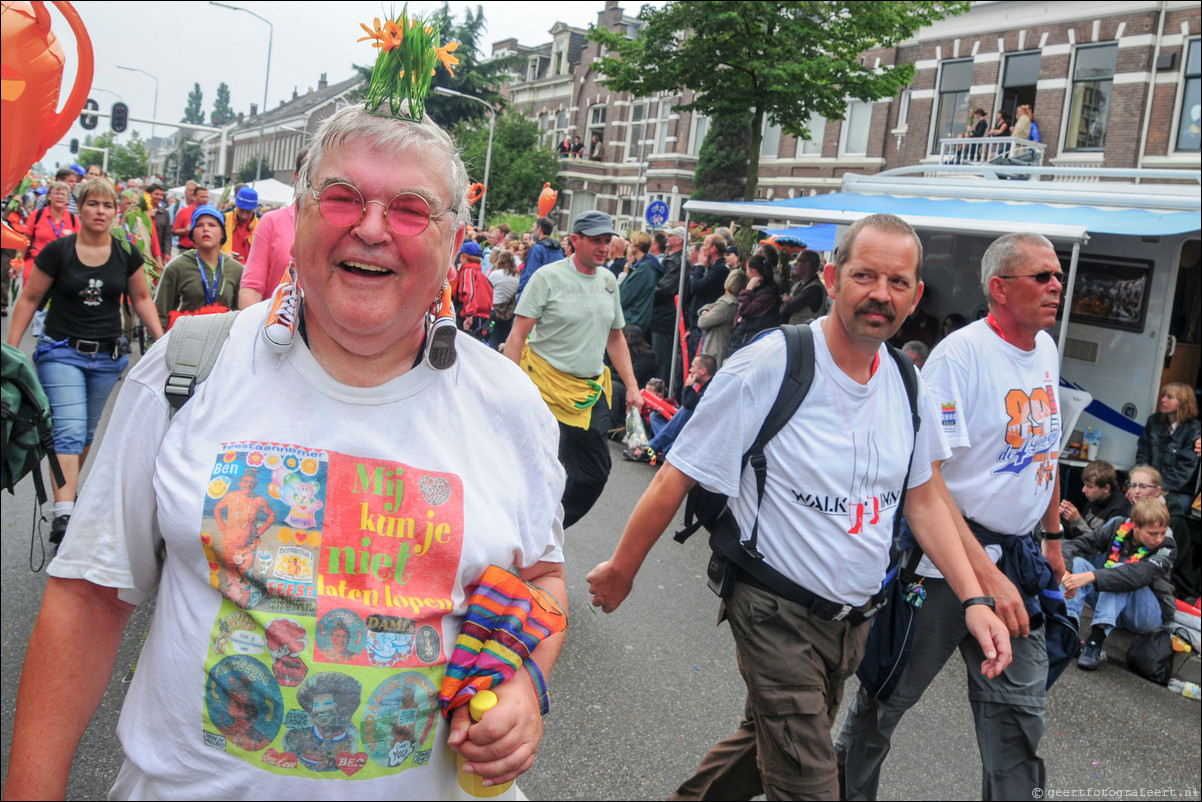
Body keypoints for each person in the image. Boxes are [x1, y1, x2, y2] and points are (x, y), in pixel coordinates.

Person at [4, 100, 568, 799]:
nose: (370, 228)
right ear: (296, 218)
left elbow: (541, 579)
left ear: (454, 240)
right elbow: (89, 594)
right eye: (341, 198)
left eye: (411, 209)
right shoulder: (190, 368)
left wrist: (521, 678)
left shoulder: (509, 405)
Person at [588, 213, 1010, 801]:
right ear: (834, 279)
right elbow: (677, 475)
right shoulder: (774, 363)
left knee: (764, 748)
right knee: (809, 783)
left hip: (850, 623)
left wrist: (975, 597)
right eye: (866, 276)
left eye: (897, 282)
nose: (880, 295)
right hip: (772, 609)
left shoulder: (911, 385)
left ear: (915, 296)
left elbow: (926, 502)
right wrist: (621, 570)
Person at [838, 232, 1071, 801]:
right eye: (1041, 276)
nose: (1056, 285)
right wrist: (983, 579)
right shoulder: (959, 358)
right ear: (999, 288)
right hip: (944, 567)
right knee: (884, 701)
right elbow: (927, 481)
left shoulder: (1044, 348)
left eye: (1058, 274)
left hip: (1018, 561)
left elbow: (1046, 448)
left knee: (1019, 716)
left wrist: (1052, 538)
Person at [4, 178, 163, 548]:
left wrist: (161, 340)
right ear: (81, 208)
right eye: (93, 204)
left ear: (115, 212)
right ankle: (64, 514)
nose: (100, 212)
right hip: (60, 351)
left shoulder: (126, 254)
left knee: (85, 435)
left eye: (107, 206)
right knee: (69, 432)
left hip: (107, 359)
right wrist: (10, 352)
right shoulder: (58, 252)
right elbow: (29, 298)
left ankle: (67, 498)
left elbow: (141, 299)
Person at [504, 210, 643, 528]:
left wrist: (633, 387)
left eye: (607, 241)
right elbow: (517, 335)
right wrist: (508, 387)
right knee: (537, 469)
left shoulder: (609, 281)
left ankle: (544, 528)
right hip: (543, 387)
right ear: (575, 241)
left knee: (593, 474)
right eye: (596, 240)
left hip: (588, 392)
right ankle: (523, 533)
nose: (604, 247)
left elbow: (616, 336)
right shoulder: (547, 278)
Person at [1062, 496, 1177, 670]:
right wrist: (1066, 571)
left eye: (1162, 532)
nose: (1159, 538)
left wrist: (1092, 576)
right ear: (1135, 527)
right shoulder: (1119, 527)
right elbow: (1076, 545)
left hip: (1146, 615)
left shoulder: (1166, 547)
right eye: (1153, 533)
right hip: (1113, 604)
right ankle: (1067, 632)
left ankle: (1094, 642)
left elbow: (1137, 575)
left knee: (1121, 572)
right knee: (1077, 564)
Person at [153, 205, 243, 331]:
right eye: (199, 225)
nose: (205, 229)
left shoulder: (236, 270)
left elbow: (241, 315)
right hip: (185, 339)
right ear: (192, 234)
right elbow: (159, 312)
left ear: (223, 233)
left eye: (212, 225)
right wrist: (156, 345)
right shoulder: (176, 267)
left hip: (221, 342)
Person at [238, 151, 305, 308]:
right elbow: (252, 286)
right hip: (274, 326)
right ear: (297, 177)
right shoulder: (271, 221)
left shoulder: (343, 227)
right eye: (310, 170)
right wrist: (250, 328)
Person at [625, 354, 716, 464]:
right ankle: (669, 450)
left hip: (704, 428)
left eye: (693, 367)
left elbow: (689, 404)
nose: (690, 370)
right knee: (655, 416)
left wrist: (688, 387)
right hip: (691, 424)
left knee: (685, 411)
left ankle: (650, 449)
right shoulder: (705, 385)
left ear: (702, 370)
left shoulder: (712, 386)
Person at [1135, 382, 1201, 510]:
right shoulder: (1154, 421)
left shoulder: (1194, 429)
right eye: (1163, 396)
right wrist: (1141, 485)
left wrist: (1157, 489)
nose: (1163, 400)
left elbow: (1183, 471)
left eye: (1169, 397)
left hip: (1178, 491)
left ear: (1183, 403)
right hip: (1150, 485)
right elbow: (1142, 455)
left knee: (1160, 510)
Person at [18, 180, 76, 284]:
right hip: (36, 265)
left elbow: (79, 245)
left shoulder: (73, 219)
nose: (60, 197)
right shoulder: (37, 215)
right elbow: (25, 239)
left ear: (68, 199)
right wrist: (17, 262)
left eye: (63, 194)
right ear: (48, 197)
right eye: (56, 193)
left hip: (61, 269)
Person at [725, 254, 780, 358]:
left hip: (750, 338)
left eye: (747, 269)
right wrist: (738, 319)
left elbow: (745, 310)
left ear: (753, 270)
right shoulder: (760, 289)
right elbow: (740, 313)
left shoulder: (767, 293)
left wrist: (748, 289)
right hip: (744, 336)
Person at [1059, 459, 1131, 538]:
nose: (1084, 490)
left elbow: (1100, 544)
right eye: (1084, 485)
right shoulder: (1096, 498)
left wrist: (1077, 520)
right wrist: (1065, 518)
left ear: (1106, 488)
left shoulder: (1119, 509)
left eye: (1089, 486)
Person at [697, 269, 748, 368]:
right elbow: (708, 305)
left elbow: (702, 322)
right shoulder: (732, 302)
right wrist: (705, 310)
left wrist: (705, 312)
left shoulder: (725, 306)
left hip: (715, 351)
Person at [514, 216, 563, 299]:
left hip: (535, 297)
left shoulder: (537, 249)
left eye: (533, 226)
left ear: (539, 229)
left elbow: (530, 276)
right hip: (553, 295)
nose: (532, 229)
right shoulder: (558, 250)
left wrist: (521, 296)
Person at [619, 231, 657, 333]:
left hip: (632, 320)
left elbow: (625, 296)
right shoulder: (643, 266)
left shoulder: (644, 269)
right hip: (635, 318)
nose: (630, 244)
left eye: (632, 241)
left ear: (638, 245)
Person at [780, 249, 825, 325]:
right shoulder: (800, 283)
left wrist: (789, 300)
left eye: (798, 261)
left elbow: (786, 308)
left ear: (807, 265)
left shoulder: (814, 289)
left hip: (803, 334)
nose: (795, 264)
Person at [487, 248, 520, 350]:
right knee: (504, 337)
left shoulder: (495, 274)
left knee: (493, 337)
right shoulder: (517, 276)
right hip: (509, 311)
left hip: (494, 309)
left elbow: (488, 288)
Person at [222, 187, 259, 262]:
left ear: (254, 209)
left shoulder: (260, 226)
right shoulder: (223, 220)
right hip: (226, 268)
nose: (244, 216)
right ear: (236, 205)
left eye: (248, 212)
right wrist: (223, 256)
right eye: (241, 211)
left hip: (249, 271)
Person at [172, 184, 209, 251]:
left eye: (206, 197)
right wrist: (185, 230)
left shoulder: (209, 213)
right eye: (202, 197)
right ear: (194, 197)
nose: (205, 199)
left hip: (204, 251)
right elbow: (174, 231)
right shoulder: (183, 211)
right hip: (186, 250)